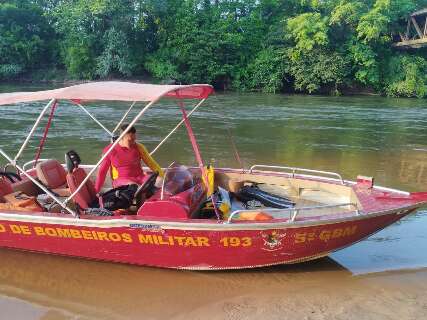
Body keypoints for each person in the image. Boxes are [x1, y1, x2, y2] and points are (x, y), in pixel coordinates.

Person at [95, 124, 164, 194]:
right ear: (122, 137)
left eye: (134, 139)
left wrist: (163, 176)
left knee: (160, 181)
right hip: (121, 180)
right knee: (135, 187)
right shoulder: (109, 150)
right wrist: (96, 191)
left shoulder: (139, 147)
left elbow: (151, 163)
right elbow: (102, 173)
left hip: (140, 177)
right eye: (130, 140)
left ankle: (154, 201)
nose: (133, 142)